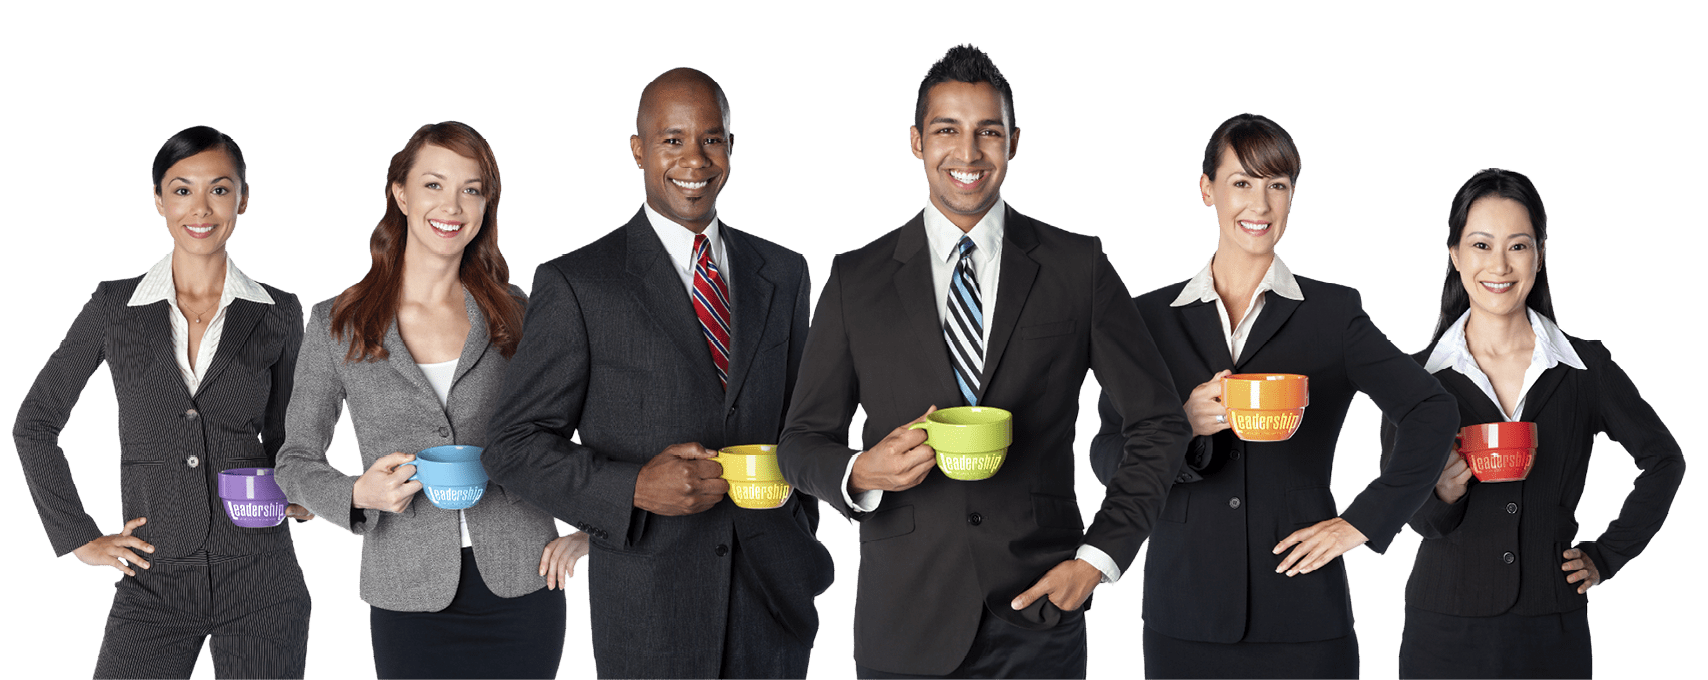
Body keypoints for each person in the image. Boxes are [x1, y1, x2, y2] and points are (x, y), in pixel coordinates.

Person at [778, 44, 1192, 679]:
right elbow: (801, 442)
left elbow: (1159, 423)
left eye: (987, 132)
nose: (967, 154)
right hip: (905, 621)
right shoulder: (856, 278)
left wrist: (1100, 558)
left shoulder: (1074, 267)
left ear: (1014, 142)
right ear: (916, 141)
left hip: (1039, 615)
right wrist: (862, 470)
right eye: (947, 130)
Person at [481, 68, 835, 680]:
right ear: (638, 150)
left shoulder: (784, 271)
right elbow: (511, 446)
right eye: (673, 140)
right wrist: (633, 488)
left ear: (730, 147)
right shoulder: (579, 283)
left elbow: (803, 422)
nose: (694, 159)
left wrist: (799, 537)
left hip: (773, 603)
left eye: (713, 138)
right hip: (653, 616)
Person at [1088, 112, 1460, 679]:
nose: (1259, 205)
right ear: (1207, 189)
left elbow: (1431, 409)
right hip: (1185, 613)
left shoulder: (1334, 314)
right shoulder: (1148, 321)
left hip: (1304, 616)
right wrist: (1179, 427)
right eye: (1242, 183)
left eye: (1277, 185)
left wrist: (1362, 521)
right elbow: (1107, 450)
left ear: (1291, 197)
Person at [273, 121, 586, 680]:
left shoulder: (522, 314)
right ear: (400, 192)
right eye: (435, 185)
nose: (453, 205)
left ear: (487, 202)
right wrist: (356, 494)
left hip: (523, 580)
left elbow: (590, 426)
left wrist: (593, 532)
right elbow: (294, 461)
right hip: (407, 592)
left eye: (472, 188)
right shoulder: (335, 323)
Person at [13, 125, 315, 678]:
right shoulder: (114, 306)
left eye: (219, 189)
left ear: (243, 199)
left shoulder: (278, 311)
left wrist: (302, 488)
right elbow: (34, 423)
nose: (200, 207)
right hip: (152, 581)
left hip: (260, 580)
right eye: (181, 190)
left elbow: (287, 440)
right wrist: (77, 535)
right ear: (158, 200)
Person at [1384, 167, 1685, 679]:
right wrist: (1442, 495)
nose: (1499, 264)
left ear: (1539, 255)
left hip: (1551, 629)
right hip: (1445, 631)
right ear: (1455, 256)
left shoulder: (1585, 369)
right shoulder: (1416, 378)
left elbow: (1663, 460)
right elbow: (1413, 516)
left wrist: (1607, 555)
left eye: (1517, 246)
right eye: (1480, 245)